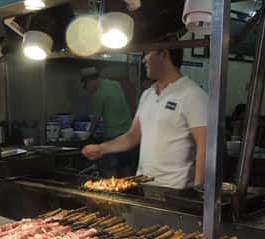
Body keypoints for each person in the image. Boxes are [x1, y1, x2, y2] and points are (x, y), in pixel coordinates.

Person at [82, 48, 208, 189]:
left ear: (164, 54)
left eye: (147, 54)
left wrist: (198, 192)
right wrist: (102, 148)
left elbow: (205, 147)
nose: (143, 60)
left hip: (176, 189)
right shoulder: (147, 94)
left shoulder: (193, 94)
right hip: (143, 185)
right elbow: (133, 136)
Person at [81, 67, 137, 178]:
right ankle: (129, 192)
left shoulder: (98, 95)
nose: (88, 90)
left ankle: (113, 193)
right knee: (125, 167)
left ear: (90, 81)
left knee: (110, 169)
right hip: (127, 134)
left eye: (86, 87)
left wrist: (87, 134)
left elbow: (96, 120)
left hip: (113, 136)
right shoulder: (115, 84)